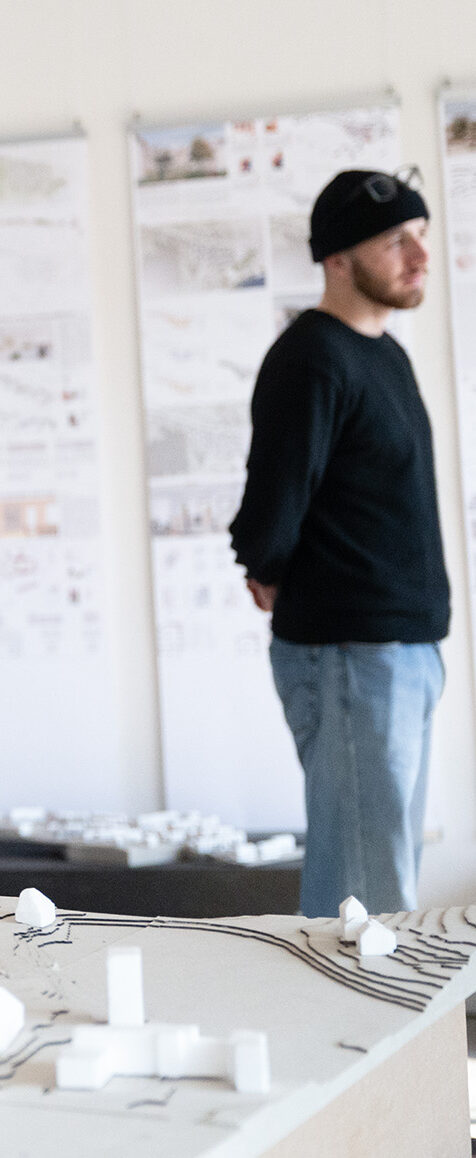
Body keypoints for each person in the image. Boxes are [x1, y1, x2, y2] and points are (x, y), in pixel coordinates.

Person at [230, 167, 449, 918]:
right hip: (350, 654)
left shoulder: (384, 354)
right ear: (338, 259)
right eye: (396, 241)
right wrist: (266, 570)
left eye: (421, 237)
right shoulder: (310, 359)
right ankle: (364, 1037)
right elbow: (270, 509)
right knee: (364, 895)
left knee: (384, 878)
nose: (420, 257)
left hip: (403, 649)